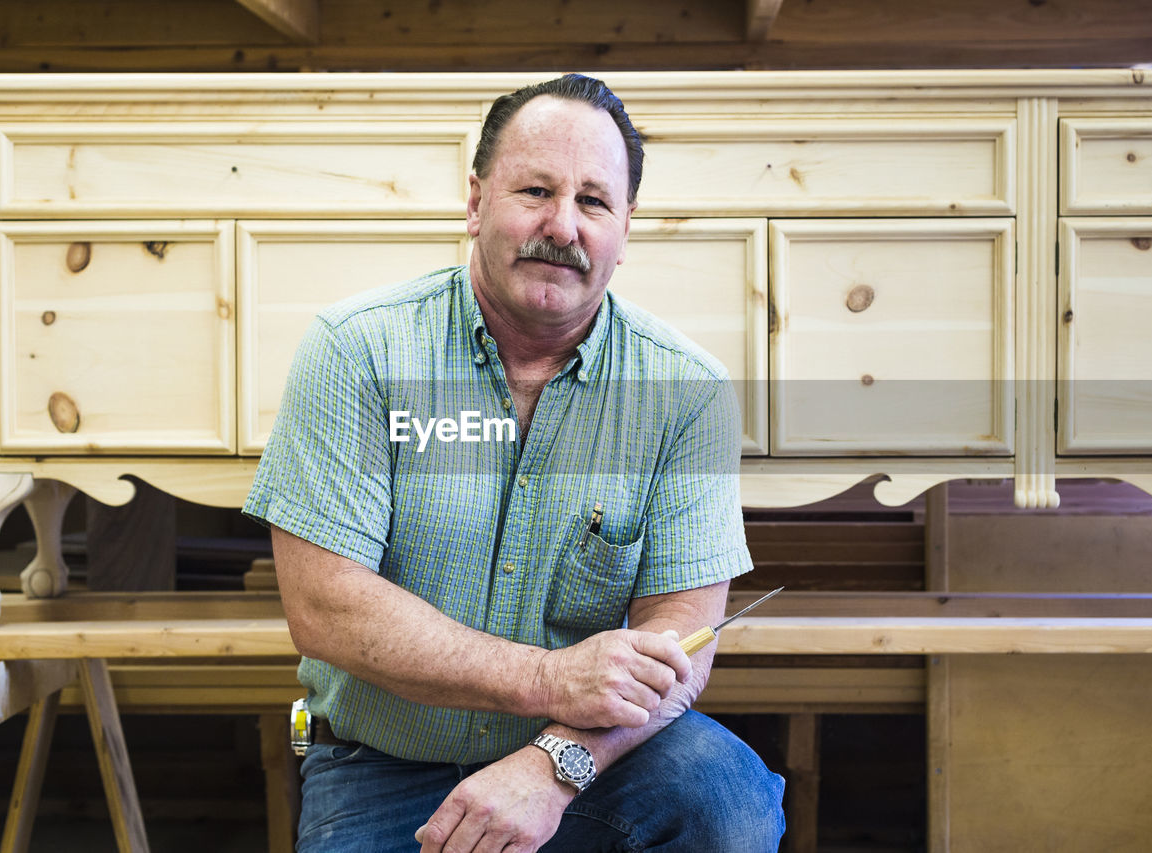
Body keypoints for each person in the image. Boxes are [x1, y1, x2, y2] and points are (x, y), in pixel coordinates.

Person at [243, 73, 786, 852]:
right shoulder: (358, 351)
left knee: (725, 799)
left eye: (594, 202)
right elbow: (324, 606)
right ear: (475, 202)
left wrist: (553, 763)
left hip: (591, 761)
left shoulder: (687, 392)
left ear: (625, 230)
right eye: (535, 189)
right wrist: (550, 677)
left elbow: (681, 644)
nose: (562, 225)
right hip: (380, 765)